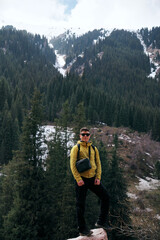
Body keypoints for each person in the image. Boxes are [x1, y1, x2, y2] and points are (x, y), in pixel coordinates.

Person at [70, 127, 111, 236]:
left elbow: (98, 163)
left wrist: (98, 177)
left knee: (105, 196)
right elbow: (72, 165)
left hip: (93, 179)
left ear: (89, 136)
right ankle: (82, 229)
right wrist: (78, 179)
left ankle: (101, 221)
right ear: (80, 136)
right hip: (81, 180)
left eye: (87, 134)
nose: (85, 136)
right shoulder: (76, 148)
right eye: (83, 134)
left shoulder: (94, 148)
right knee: (80, 205)